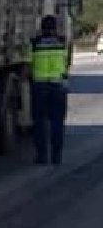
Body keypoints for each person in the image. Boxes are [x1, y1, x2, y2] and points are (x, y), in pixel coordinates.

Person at [28, 15, 70, 165]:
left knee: (39, 123)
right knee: (57, 123)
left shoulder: (35, 44)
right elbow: (66, 62)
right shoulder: (62, 43)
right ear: (55, 28)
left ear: (42, 28)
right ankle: (56, 156)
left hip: (40, 87)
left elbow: (28, 64)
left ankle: (42, 156)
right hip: (58, 86)